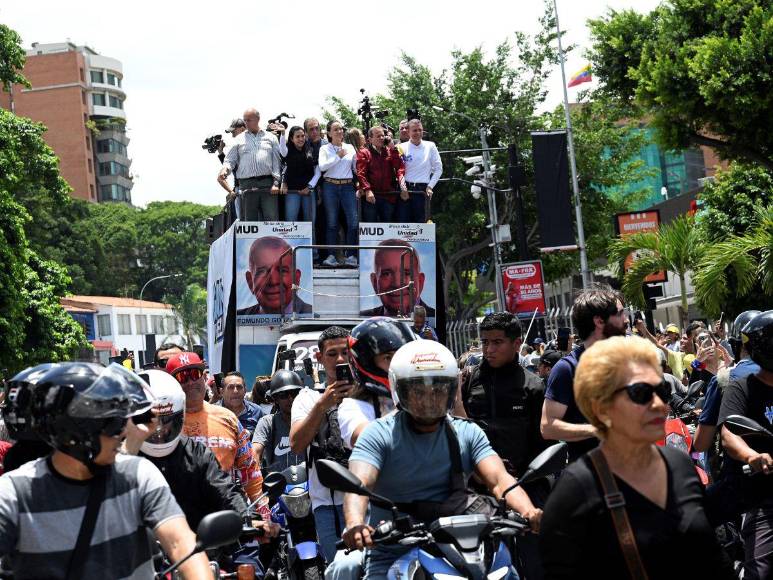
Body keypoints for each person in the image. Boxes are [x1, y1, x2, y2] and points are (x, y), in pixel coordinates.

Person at [342, 340, 543, 578]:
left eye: (438, 389)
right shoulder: (378, 434)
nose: (430, 398)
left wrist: (528, 511)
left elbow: (500, 479)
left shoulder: (467, 432)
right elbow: (359, 484)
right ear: (400, 390)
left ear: (451, 390)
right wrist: (355, 523)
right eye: (419, 390)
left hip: (463, 549)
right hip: (394, 548)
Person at [539, 337, 734, 578]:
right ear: (601, 407)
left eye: (661, 391)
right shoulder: (575, 490)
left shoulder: (679, 464)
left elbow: (713, 559)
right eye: (640, 393)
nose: (658, 405)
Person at [0, 362, 211, 579]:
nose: (122, 432)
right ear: (76, 433)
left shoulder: (137, 475)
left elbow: (181, 543)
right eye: (112, 423)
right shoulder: (14, 493)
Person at [460, 312, 549, 579]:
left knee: (535, 565)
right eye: (485, 342)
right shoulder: (468, 383)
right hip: (478, 492)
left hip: (527, 487)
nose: (489, 349)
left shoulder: (533, 386)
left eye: (497, 342)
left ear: (516, 343)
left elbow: (545, 444)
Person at [166, 352, 269, 512]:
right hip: (179, 519)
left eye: (195, 374)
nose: (191, 382)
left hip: (226, 516)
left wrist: (265, 514)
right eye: (182, 377)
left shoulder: (228, 418)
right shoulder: (163, 423)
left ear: (203, 377)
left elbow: (249, 471)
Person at [288, 326, 355, 564]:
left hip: (364, 499)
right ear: (318, 357)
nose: (340, 359)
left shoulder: (367, 393)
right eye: (332, 353)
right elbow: (296, 445)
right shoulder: (307, 398)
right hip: (325, 502)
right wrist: (322, 405)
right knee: (335, 567)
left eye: (345, 352)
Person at [541, 287, 627, 462]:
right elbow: (548, 427)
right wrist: (598, 430)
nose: (626, 320)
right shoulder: (568, 369)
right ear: (599, 321)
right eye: (620, 314)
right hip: (594, 477)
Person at [718, 310, 773, 579]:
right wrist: (752, 456)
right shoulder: (741, 388)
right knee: (759, 573)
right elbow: (728, 433)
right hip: (764, 497)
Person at [338, 317, 417, 449]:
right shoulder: (353, 407)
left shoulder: (423, 395)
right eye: (388, 357)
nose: (398, 362)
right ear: (367, 363)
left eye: (401, 354)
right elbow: (364, 438)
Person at [220, 108, 281, 221]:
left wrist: (276, 183)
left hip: (267, 184)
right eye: (245, 120)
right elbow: (230, 160)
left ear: (257, 119)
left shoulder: (271, 137)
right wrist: (225, 170)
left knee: (271, 220)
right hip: (246, 185)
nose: (246, 123)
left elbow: (276, 162)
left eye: (249, 120)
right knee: (249, 222)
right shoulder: (238, 139)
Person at [237, 235, 312, 315]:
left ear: (296, 278)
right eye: (262, 271)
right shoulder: (237, 318)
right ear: (250, 282)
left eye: (282, 271)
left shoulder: (313, 319)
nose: (273, 281)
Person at [318, 120, 359, 267]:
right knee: (331, 223)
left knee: (353, 222)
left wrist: (360, 183)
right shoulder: (325, 149)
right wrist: (338, 156)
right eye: (335, 129)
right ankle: (331, 256)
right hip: (330, 186)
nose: (339, 132)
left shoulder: (350, 147)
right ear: (329, 133)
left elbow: (355, 168)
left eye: (341, 129)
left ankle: (351, 256)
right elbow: (322, 167)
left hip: (348, 186)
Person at [360, 239, 435, 317]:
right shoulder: (364, 319)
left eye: (407, 273)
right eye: (387, 274)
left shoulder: (435, 317)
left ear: (420, 281)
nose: (397, 283)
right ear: (375, 283)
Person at [252, 370, 306, 474]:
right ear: (275, 399)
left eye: (295, 393)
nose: (290, 399)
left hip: (308, 484)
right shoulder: (268, 422)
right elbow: (256, 451)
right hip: (277, 486)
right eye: (283, 395)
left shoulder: (312, 421)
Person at [356, 125, 407, 223]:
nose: (381, 138)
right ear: (370, 139)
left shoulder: (389, 151)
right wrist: (367, 190)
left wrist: (393, 148)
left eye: (383, 135)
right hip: (371, 197)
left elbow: (399, 165)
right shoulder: (364, 152)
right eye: (378, 136)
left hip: (388, 196)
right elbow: (361, 174)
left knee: (388, 226)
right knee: (371, 227)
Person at [396, 119, 442, 223]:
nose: (418, 133)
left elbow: (439, 168)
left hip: (422, 190)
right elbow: (397, 170)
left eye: (420, 130)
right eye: (414, 130)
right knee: (403, 223)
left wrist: (430, 186)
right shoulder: (400, 147)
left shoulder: (431, 146)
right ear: (408, 132)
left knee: (421, 224)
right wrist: (403, 188)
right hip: (405, 189)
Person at [278, 125, 321, 223]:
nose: (301, 139)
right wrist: (283, 134)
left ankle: (312, 239)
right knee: (291, 221)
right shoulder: (287, 151)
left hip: (309, 191)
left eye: (302, 136)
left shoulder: (311, 149)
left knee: (310, 222)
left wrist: (309, 187)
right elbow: (282, 150)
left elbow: (318, 172)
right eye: (297, 137)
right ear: (292, 139)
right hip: (292, 191)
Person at [219, 371, 265, 438]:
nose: (235, 391)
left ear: (245, 390)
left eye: (239, 387)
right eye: (231, 387)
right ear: (221, 391)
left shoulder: (257, 411)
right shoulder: (212, 413)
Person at [217, 117, 248, 194]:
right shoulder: (237, 146)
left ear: (242, 129)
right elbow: (231, 165)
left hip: (249, 187)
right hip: (240, 187)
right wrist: (221, 152)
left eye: (234, 132)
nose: (232, 135)